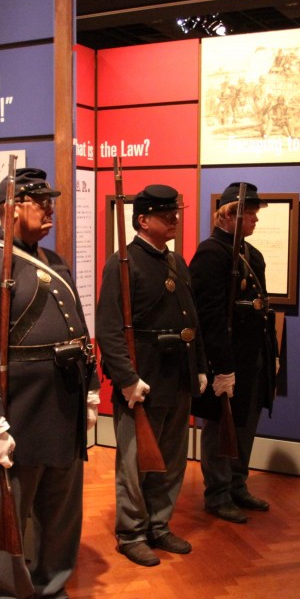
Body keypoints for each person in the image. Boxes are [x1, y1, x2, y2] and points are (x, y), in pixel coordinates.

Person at [0, 168, 98, 599]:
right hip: (19, 413)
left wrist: (91, 388)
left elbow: (79, 331)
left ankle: (52, 589)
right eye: (40, 201)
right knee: (11, 512)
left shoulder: (53, 261)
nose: (50, 208)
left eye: (50, 201)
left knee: (62, 509)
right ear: (11, 209)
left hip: (62, 405)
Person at [96, 184, 208, 567]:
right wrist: (127, 378)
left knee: (172, 460)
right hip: (143, 380)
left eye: (174, 213)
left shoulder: (176, 261)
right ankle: (131, 533)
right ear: (143, 220)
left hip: (178, 375)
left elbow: (192, 319)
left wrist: (200, 366)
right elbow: (109, 328)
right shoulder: (122, 263)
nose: (174, 219)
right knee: (135, 463)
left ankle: (159, 525)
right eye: (165, 214)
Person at [189, 182, 277, 524]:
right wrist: (221, 366)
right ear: (226, 215)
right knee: (220, 427)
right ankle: (218, 493)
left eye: (254, 213)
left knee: (244, 426)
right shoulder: (212, 253)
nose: (255, 219)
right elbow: (208, 316)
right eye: (248, 213)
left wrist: (272, 353)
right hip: (227, 359)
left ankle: (238, 485)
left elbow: (262, 308)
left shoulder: (251, 254)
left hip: (252, 356)